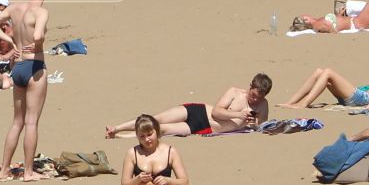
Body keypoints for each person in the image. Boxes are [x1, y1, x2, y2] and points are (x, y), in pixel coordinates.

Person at [0, 0, 51, 178]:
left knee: (16, 121)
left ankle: (4, 169)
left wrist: (11, 43)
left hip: (17, 66)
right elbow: (37, 35)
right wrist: (38, 43)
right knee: (31, 122)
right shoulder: (41, 11)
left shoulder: (14, 8)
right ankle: (28, 172)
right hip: (34, 65)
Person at [105, 75, 271, 138]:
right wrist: (238, 115)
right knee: (156, 119)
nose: (254, 99)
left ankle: (121, 137)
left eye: (259, 97)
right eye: (253, 94)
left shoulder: (263, 105)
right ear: (250, 87)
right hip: (199, 112)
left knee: (162, 129)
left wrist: (254, 122)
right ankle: (118, 128)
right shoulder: (235, 92)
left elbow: (260, 127)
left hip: (204, 128)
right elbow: (216, 112)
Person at [121, 114, 195, 185]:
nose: (147, 139)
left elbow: (185, 183)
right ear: (137, 136)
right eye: (142, 136)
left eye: (150, 134)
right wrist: (138, 179)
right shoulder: (133, 154)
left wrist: (168, 180)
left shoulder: (170, 152)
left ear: (157, 131)